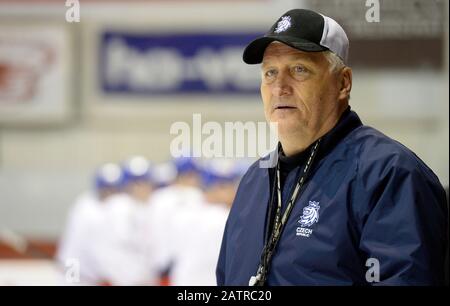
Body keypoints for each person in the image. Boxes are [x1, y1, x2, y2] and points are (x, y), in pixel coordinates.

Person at [216, 9, 448, 286]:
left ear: (343, 83)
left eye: (299, 69)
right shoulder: (254, 182)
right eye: (270, 73)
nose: (280, 87)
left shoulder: (388, 173)